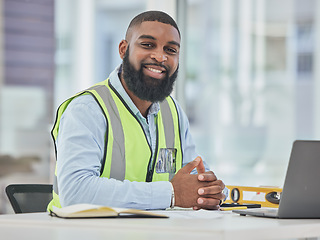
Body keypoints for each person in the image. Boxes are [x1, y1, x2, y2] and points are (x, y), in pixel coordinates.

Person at [47, 10, 226, 212]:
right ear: (124, 49)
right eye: (148, 45)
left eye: (171, 50)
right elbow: (75, 192)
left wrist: (208, 191)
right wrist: (171, 194)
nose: (160, 57)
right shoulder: (87, 109)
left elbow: (192, 177)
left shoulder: (173, 112)